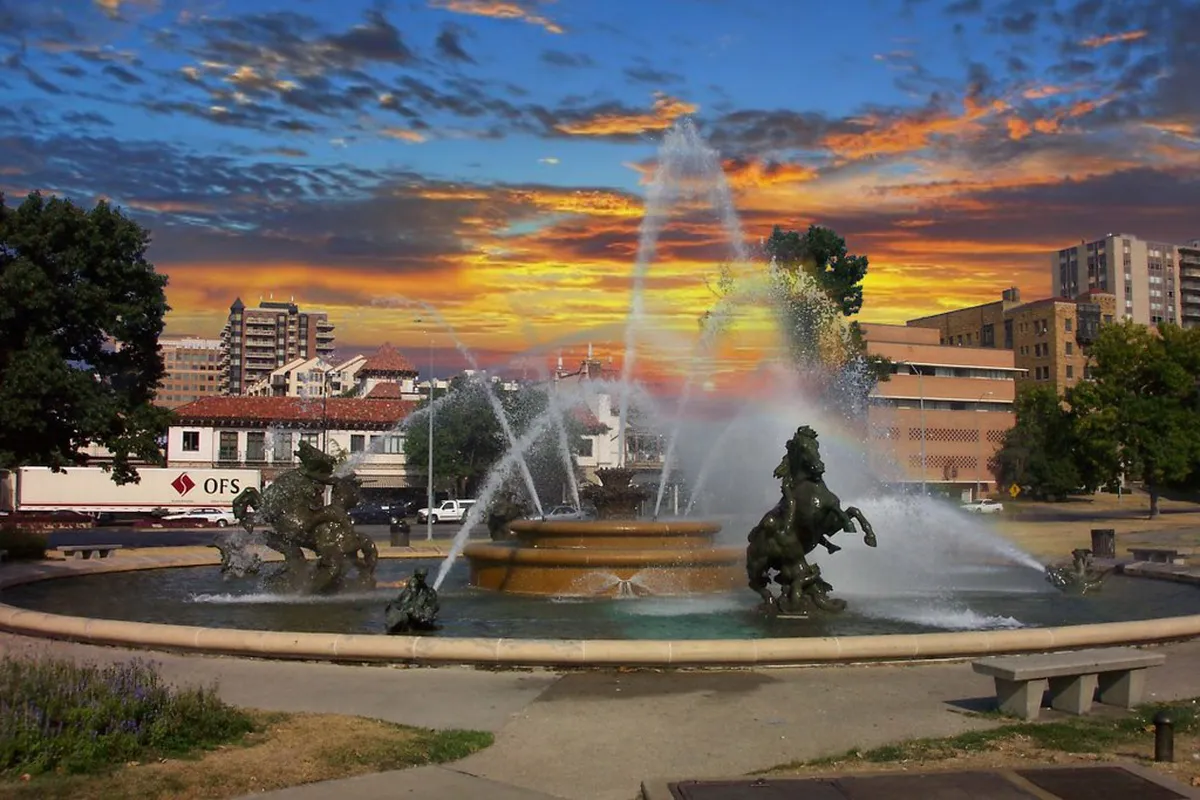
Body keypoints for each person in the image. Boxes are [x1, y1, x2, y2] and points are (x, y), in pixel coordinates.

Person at [384, 567, 441, 633]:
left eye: (423, 576)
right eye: (420, 576)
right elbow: (408, 599)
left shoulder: (422, 586)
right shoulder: (413, 584)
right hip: (407, 607)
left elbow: (423, 592)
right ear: (417, 575)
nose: (422, 578)